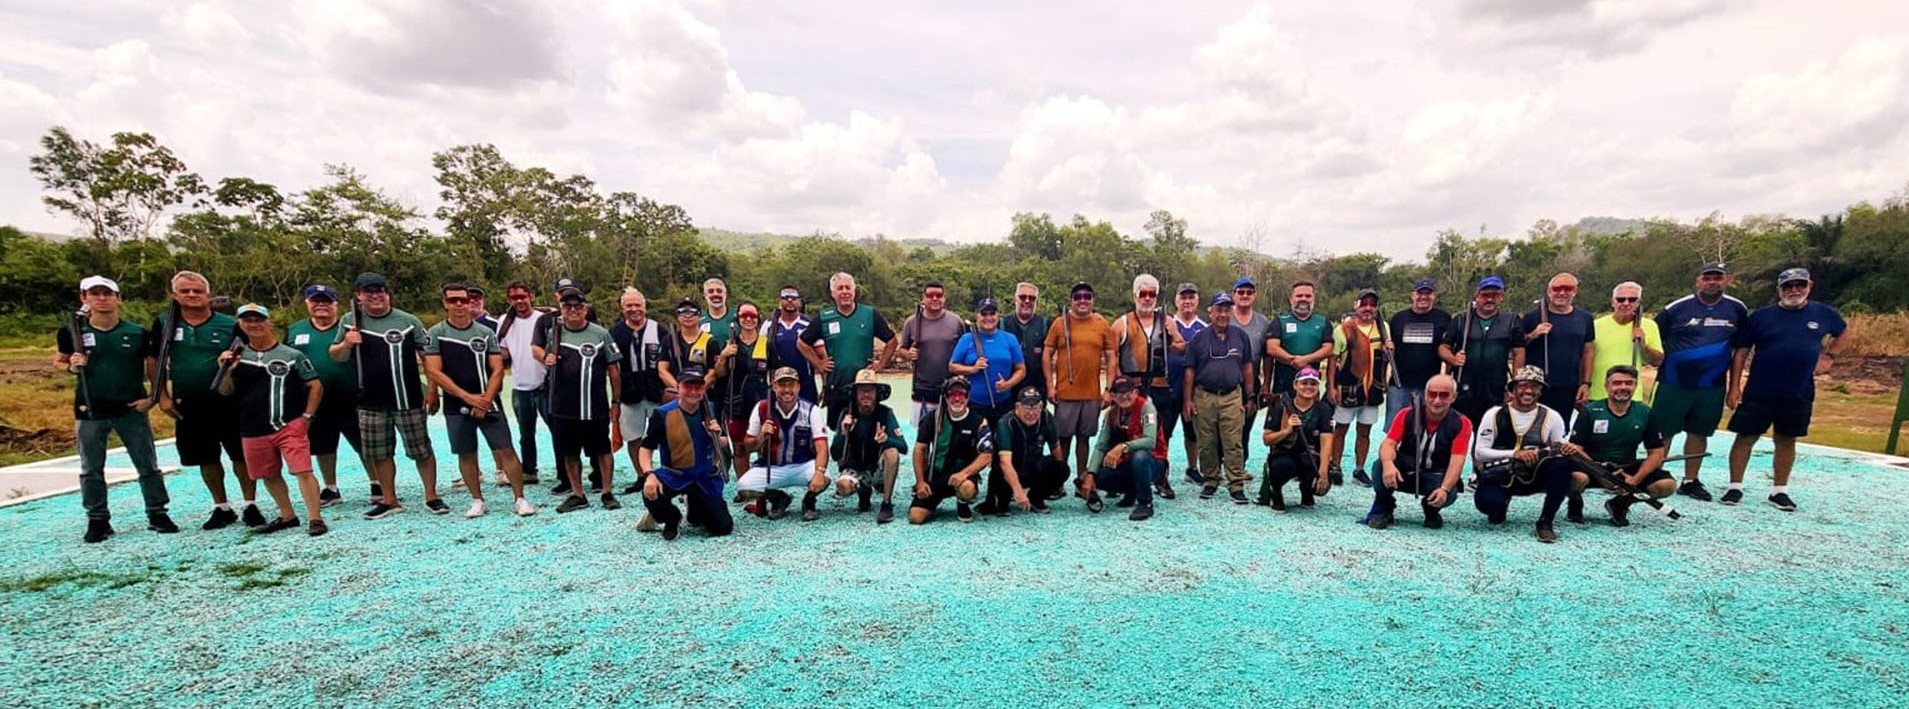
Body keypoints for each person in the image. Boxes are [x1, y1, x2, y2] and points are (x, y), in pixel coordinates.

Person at [57, 275, 176, 543]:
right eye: (95, 294)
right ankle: (98, 519)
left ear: (118, 298)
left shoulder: (136, 333)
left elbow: (153, 367)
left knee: (147, 464)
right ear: (84, 298)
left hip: (130, 408)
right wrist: (71, 365)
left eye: (107, 293)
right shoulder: (72, 332)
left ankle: (157, 513)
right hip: (89, 408)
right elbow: (60, 361)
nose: (102, 299)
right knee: (91, 468)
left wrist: (151, 398)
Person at [1722, 268, 1847, 512]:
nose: (1794, 290)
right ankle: (1734, 486)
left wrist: (1829, 356)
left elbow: (1843, 332)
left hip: (1798, 389)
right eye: (1788, 286)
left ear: (1809, 285)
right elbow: (1741, 353)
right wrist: (1734, 387)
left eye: (1799, 285)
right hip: (1760, 388)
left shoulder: (1823, 313)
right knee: (1745, 436)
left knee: (1787, 439)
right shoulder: (1761, 317)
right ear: (1779, 289)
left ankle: (1779, 490)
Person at [154, 270, 261, 529]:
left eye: (197, 291)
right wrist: (162, 396)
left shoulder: (229, 324)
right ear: (174, 294)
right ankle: (221, 506)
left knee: (241, 455)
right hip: (189, 401)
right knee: (206, 457)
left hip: (230, 400)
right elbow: (154, 360)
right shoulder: (164, 323)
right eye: (185, 291)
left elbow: (249, 353)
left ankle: (250, 504)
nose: (191, 295)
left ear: (208, 295)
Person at [330, 272, 440, 519]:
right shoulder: (349, 321)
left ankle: (431, 496)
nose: (375, 295)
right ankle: (389, 499)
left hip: (408, 398)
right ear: (359, 296)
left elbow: (428, 357)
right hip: (370, 400)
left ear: (387, 293)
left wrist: (433, 390)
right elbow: (336, 355)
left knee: (421, 449)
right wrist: (347, 343)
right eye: (369, 291)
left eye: (380, 290)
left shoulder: (407, 320)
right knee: (379, 452)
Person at [216, 304, 328, 536]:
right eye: (248, 320)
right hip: (252, 427)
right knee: (268, 473)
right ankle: (287, 515)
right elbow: (225, 391)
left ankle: (315, 518)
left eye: (259, 320)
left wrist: (306, 416)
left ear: (269, 323)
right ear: (240, 325)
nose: (254, 325)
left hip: (288, 424)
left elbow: (315, 385)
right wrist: (225, 369)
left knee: (303, 471)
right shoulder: (236, 356)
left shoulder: (291, 355)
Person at [424, 283, 534, 518]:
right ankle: (477, 500)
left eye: (463, 300)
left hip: (489, 401)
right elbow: (434, 371)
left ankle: (520, 498)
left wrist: (484, 399)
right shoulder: (436, 333)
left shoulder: (485, 334)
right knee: (466, 453)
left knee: (506, 450)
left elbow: (496, 369)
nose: (460, 304)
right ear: (445, 303)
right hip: (456, 404)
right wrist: (468, 398)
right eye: (454, 300)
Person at [1653, 263, 1749, 502]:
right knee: (1663, 433)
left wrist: (1735, 387)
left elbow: (1741, 350)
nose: (1712, 282)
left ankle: (1690, 480)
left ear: (1727, 280)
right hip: (1673, 382)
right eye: (1708, 278)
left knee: (1699, 432)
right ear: (1698, 280)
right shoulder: (1676, 308)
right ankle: (1655, 475)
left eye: (1718, 277)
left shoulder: (1737, 309)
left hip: (1712, 385)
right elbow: (1654, 338)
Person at [533, 282, 624, 514]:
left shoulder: (600, 333)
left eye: (577, 305)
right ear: (561, 308)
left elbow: (614, 369)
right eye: (567, 305)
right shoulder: (554, 333)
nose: (572, 310)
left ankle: (606, 491)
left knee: (602, 450)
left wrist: (616, 401)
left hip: (594, 405)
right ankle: (577, 493)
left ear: (585, 308)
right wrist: (547, 358)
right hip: (564, 405)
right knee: (569, 452)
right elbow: (545, 356)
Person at [1472, 366, 1583, 543]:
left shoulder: (1552, 416)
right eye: (1523, 385)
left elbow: (1558, 447)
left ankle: (1546, 521)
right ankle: (1501, 505)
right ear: (1513, 389)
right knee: (1488, 504)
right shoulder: (1494, 414)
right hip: (1500, 474)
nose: (1528, 391)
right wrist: (1515, 454)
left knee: (1562, 465)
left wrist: (1568, 448)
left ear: (1540, 390)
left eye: (1535, 386)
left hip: (1534, 475)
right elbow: (1480, 452)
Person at [1108, 274, 1186, 500]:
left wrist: (1173, 340)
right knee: (1125, 432)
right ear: (1135, 296)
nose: (1147, 298)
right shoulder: (1121, 323)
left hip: (1160, 386)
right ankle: (1120, 478)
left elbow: (1181, 346)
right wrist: (1114, 390)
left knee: (1162, 435)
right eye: (1143, 294)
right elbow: (1111, 357)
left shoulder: (1167, 321)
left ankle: (1161, 477)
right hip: (1131, 389)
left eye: (1152, 294)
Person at [287, 284, 364, 507]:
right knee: (323, 446)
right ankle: (331, 488)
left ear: (335, 305)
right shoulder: (295, 330)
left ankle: (376, 482)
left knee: (364, 444)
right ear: (307, 303)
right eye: (316, 300)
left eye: (326, 301)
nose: (321, 305)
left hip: (351, 396)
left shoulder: (350, 327)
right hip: (315, 399)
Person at [636, 365, 735, 540]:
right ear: (678, 387)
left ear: (704, 388)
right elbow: (646, 448)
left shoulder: (712, 410)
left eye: (698, 387)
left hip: (704, 477)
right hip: (675, 474)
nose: (693, 391)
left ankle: (695, 508)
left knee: (722, 527)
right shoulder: (663, 414)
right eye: (688, 386)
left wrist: (717, 436)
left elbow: (725, 443)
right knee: (651, 493)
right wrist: (649, 475)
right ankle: (671, 517)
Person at [1570, 365, 1672, 527]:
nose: (1623, 387)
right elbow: (1576, 449)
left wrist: (1634, 479)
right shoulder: (1590, 411)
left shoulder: (1645, 412)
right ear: (1607, 386)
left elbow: (1656, 452)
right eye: (1617, 383)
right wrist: (1602, 475)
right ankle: (1574, 502)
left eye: (1629, 383)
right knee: (1575, 478)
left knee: (1666, 486)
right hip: (1591, 466)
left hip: (1627, 467)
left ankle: (1620, 503)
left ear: (1635, 386)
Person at [1368, 374, 1471, 530]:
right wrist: (1388, 464)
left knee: (1450, 493)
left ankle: (1431, 509)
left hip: (1435, 474)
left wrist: (1444, 489)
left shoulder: (1462, 423)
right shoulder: (1406, 414)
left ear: (1454, 397)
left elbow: (1457, 460)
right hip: (1405, 471)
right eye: (1432, 394)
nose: (1437, 400)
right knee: (1379, 467)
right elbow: (1388, 444)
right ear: (1425, 394)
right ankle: (1384, 508)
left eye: (1443, 395)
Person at [800, 272, 899, 428]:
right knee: (838, 432)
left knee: (865, 431)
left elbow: (892, 341)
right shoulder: (824, 317)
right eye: (840, 288)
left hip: (864, 387)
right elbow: (802, 343)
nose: (845, 292)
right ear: (833, 293)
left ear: (854, 291)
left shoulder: (869, 314)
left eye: (848, 287)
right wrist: (818, 364)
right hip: (836, 385)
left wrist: (881, 365)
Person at [1044, 281, 1116, 495]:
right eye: (1078, 297)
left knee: (1084, 438)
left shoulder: (1102, 324)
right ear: (1071, 301)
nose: (1082, 300)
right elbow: (1047, 355)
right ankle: (1058, 481)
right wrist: (1050, 385)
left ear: (1093, 300)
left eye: (1087, 296)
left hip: (1091, 394)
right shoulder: (1060, 323)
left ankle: (1082, 480)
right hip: (1065, 393)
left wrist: (1108, 389)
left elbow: (1111, 358)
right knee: (1063, 439)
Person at [1185, 291, 1254, 503]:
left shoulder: (1240, 336)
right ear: (1210, 312)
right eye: (1218, 309)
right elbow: (1190, 371)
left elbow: (1248, 368)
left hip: (1232, 395)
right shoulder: (1199, 338)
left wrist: (1250, 396)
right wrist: (1187, 400)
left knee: (1233, 441)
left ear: (1231, 311)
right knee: (1207, 441)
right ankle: (1211, 480)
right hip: (1204, 395)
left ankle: (1236, 483)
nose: (1223, 314)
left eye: (1226, 309)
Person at [740, 368, 831, 521]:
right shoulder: (762, 408)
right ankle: (779, 498)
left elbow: (822, 447)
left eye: (791, 385)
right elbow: (748, 445)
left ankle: (809, 500)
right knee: (744, 487)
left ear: (798, 387)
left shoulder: (811, 410)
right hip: (771, 466)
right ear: (774, 387)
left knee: (825, 477)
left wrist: (819, 472)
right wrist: (761, 436)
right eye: (782, 385)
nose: (787, 390)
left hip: (803, 464)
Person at [1441, 276, 1527, 425]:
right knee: (1460, 427)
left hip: (1495, 386)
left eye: (1495, 295)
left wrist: (1516, 383)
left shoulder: (1512, 321)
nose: (1489, 299)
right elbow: (1443, 347)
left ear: (1501, 297)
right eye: (1485, 295)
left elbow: (1519, 352)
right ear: (1477, 296)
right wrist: (1453, 359)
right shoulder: (1461, 320)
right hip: (1464, 385)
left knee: (1492, 428)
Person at [909, 377, 993, 524]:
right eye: (953, 394)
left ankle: (962, 503)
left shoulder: (979, 421)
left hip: (963, 476)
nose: (957, 398)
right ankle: (933, 502)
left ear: (967, 397)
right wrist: (920, 482)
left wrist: (964, 474)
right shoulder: (932, 418)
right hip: (936, 474)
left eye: (961, 394)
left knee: (967, 489)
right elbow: (919, 450)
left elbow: (986, 456)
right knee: (916, 517)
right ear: (946, 397)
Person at [497, 280, 556, 485]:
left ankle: (564, 472)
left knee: (557, 429)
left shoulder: (545, 319)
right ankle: (529, 470)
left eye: (522, 296)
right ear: (509, 300)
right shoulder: (505, 321)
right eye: (514, 298)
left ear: (531, 296)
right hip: (520, 385)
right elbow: (503, 350)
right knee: (525, 433)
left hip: (546, 385)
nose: (519, 301)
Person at [829, 369, 908, 523]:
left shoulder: (886, 413)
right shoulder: (846, 414)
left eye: (870, 391)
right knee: (842, 486)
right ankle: (862, 490)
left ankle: (886, 503)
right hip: (853, 466)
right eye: (862, 391)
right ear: (855, 394)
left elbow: (903, 447)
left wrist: (886, 440)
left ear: (877, 394)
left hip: (877, 468)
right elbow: (834, 453)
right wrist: (843, 433)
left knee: (892, 452)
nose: (866, 395)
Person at [1328, 288, 1389, 487]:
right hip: (1348, 387)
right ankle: (1335, 466)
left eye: (1372, 304)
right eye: (1364, 304)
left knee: (1365, 432)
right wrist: (1331, 386)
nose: (1368, 308)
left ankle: (1359, 469)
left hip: (1374, 389)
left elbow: (1388, 358)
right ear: (1356, 305)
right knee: (1340, 429)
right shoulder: (1343, 329)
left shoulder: (1383, 328)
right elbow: (1333, 359)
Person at [1081, 376, 1164, 521]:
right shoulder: (1111, 414)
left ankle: (1146, 503)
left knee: (1139, 456)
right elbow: (1101, 446)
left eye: (1128, 392)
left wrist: (1123, 447)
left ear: (1136, 392)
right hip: (1127, 464)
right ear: (1113, 396)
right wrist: (1090, 474)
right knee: (1094, 478)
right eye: (1119, 393)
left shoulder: (1147, 408)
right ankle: (1131, 491)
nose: (1124, 396)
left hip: (1153, 463)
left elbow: (1150, 441)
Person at [612, 288, 670, 495]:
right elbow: (612, 366)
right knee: (633, 437)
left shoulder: (660, 330)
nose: (634, 309)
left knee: (663, 435)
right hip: (629, 394)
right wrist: (615, 398)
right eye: (629, 306)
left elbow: (670, 360)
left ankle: (665, 474)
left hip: (656, 392)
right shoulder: (615, 333)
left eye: (637, 305)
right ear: (622, 308)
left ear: (645, 306)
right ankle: (642, 475)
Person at [1522, 272, 1596, 422]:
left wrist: (1585, 383)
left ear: (1574, 292)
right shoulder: (1532, 317)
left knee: (1560, 427)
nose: (1561, 293)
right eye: (1556, 289)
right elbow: (1518, 347)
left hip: (1568, 384)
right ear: (1549, 292)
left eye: (1567, 289)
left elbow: (1588, 351)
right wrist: (1534, 334)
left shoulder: (1585, 318)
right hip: (1536, 384)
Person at [982, 386, 1068, 516]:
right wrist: (1018, 491)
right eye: (1027, 408)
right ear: (1017, 406)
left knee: (1061, 469)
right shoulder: (1005, 423)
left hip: (1033, 469)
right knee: (999, 505)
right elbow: (1005, 462)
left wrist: (1057, 481)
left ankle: (1036, 498)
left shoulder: (1046, 417)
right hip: (1007, 472)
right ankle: (1001, 500)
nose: (1032, 413)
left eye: (1036, 407)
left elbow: (1056, 448)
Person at [1259, 367, 1334, 512]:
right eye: (1304, 383)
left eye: (1313, 384)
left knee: (1321, 484)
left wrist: (1323, 472)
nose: (1308, 387)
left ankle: (1306, 490)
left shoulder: (1324, 409)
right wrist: (1287, 430)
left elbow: (1326, 441)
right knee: (1282, 467)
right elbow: (1267, 439)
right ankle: (1276, 492)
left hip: (1310, 455)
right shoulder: (1280, 405)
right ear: (1295, 385)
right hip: (1284, 453)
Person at [714, 301, 771, 483]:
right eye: (744, 315)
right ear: (737, 319)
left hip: (760, 403)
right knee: (739, 448)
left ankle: (762, 486)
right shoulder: (730, 344)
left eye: (752, 316)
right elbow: (720, 373)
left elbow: (774, 373)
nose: (748, 319)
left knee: (764, 445)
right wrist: (724, 356)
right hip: (736, 403)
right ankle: (744, 485)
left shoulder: (766, 344)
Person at [1384, 278, 1451, 433]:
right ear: (1412, 295)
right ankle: (1389, 457)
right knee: (1393, 428)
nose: (1423, 297)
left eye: (1428, 293)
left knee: (1424, 428)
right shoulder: (1398, 319)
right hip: (1399, 385)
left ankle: (1418, 457)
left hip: (1429, 386)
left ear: (1434, 295)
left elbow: (1448, 348)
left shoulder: (1444, 319)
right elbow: (1388, 349)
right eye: (1420, 293)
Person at [896, 280, 967, 424]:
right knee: (921, 435)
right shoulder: (912, 322)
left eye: (939, 295)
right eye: (930, 295)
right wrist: (908, 354)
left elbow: (965, 351)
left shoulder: (956, 322)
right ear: (923, 298)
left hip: (951, 388)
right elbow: (900, 350)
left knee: (948, 436)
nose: (935, 298)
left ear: (944, 298)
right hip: (922, 389)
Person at [949, 296, 1025, 426]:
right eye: (984, 314)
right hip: (974, 404)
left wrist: (1008, 384)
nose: (988, 318)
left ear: (998, 315)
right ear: (977, 316)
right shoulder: (967, 339)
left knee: (1002, 442)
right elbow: (952, 366)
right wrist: (972, 369)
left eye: (992, 313)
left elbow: (1021, 369)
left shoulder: (1009, 339)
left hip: (1003, 404)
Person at [1589, 282, 1664, 403]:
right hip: (1597, 394)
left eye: (1632, 299)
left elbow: (1657, 361)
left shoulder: (1649, 325)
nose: (1626, 303)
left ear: (1638, 303)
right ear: (1613, 302)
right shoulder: (1595, 325)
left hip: (1631, 396)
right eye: (1620, 299)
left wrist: (1643, 345)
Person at [1165, 283, 1209, 487]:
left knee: (1192, 431)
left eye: (1191, 297)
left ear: (1197, 300)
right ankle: (1160, 469)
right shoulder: (1166, 324)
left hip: (1194, 389)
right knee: (1163, 431)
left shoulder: (1205, 328)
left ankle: (1192, 468)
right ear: (1176, 300)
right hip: (1169, 386)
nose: (1187, 301)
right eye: (1183, 297)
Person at [1002, 282, 1051, 403]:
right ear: (1015, 299)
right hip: (1008, 390)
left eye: (1032, 298)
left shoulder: (1046, 324)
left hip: (1037, 389)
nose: (1027, 301)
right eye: (1023, 297)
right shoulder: (1001, 324)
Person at [768, 285, 818, 402]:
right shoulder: (769, 325)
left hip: (805, 383)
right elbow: (760, 355)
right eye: (786, 298)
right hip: (779, 383)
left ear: (800, 302)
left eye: (794, 298)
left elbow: (820, 353)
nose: (790, 300)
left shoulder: (809, 324)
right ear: (780, 301)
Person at [700, 277, 739, 344]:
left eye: (719, 291)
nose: (715, 294)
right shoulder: (698, 319)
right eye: (711, 291)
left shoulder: (738, 317)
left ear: (725, 294)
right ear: (705, 295)